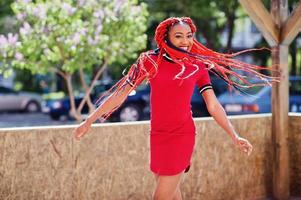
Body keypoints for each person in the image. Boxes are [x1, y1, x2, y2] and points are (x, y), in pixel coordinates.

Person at [74, 17, 278, 200]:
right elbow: (121, 94)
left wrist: (234, 136)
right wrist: (90, 120)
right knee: (171, 194)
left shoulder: (197, 66)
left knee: (161, 197)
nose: (185, 41)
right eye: (178, 36)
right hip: (158, 134)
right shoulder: (149, 61)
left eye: (189, 36)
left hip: (182, 134)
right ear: (166, 37)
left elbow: (213, 106)